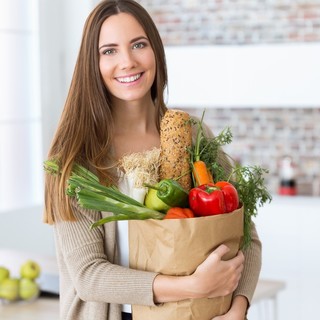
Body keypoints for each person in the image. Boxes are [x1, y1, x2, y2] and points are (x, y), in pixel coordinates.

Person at [43, 1, 261, 320]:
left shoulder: (195, 136)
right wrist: (192, 286)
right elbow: (88, 276)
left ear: (155, 51)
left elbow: (246, 235)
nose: (127, 62)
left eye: (138, 45)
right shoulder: (76, 156)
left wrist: (238, 308)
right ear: (92, 63)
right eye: (109, 51)